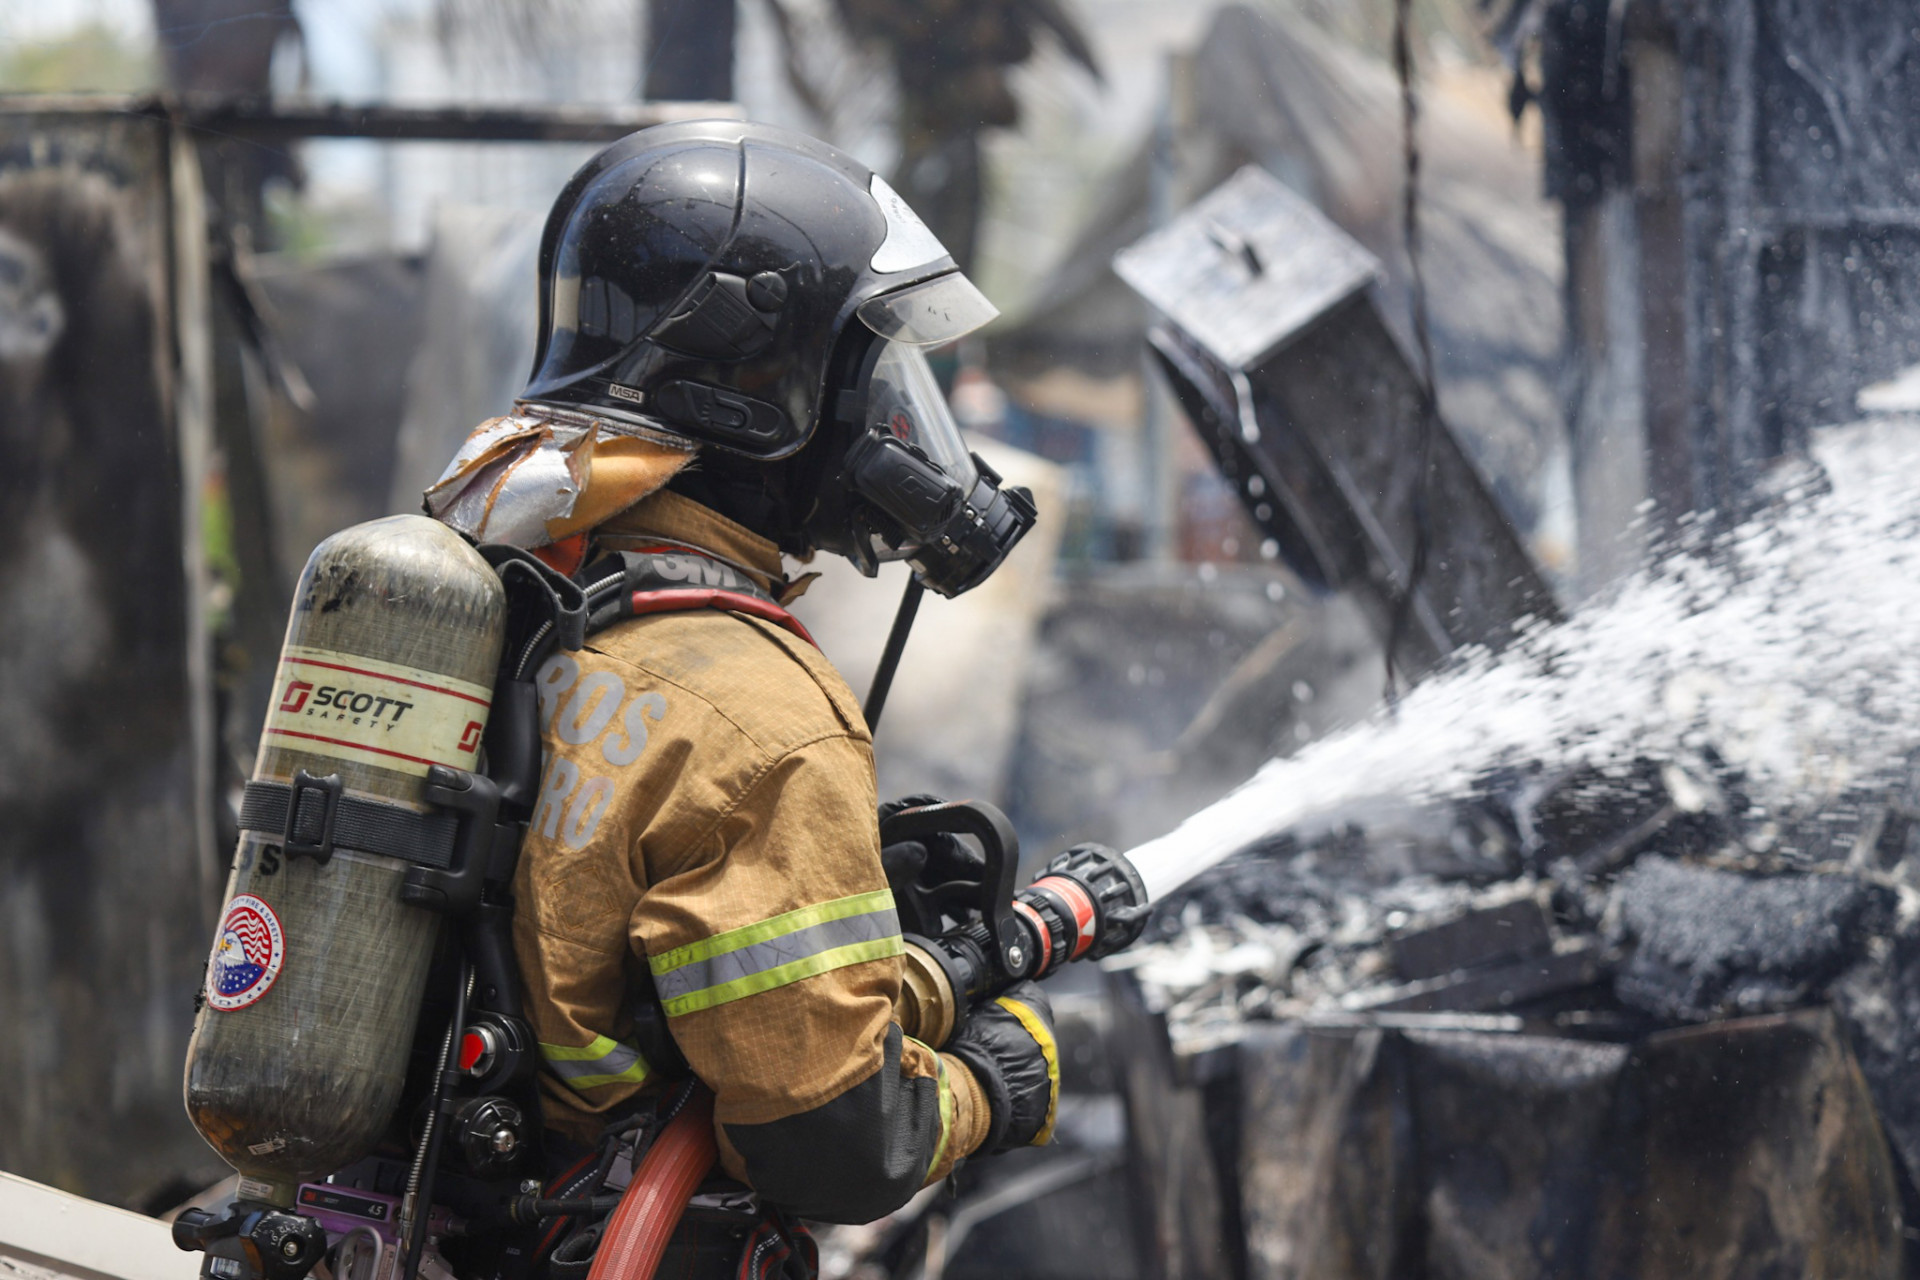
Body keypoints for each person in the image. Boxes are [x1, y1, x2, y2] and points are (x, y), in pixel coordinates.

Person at [425, 120, 1057, 1273]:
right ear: (758, 388)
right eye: (869, 375)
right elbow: (833, 1145)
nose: (894, 424)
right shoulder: (761, 718)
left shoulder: (474, 601)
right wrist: (994, 1084)